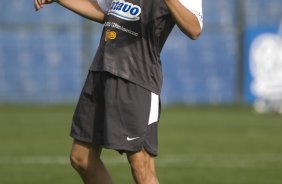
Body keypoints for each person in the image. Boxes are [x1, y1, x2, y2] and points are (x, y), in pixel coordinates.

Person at [34, 0, 203, 183]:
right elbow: (105, 13)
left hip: (137, 79)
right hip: (101, 70)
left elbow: (194, 29)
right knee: (81, 158)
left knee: (141, 164)